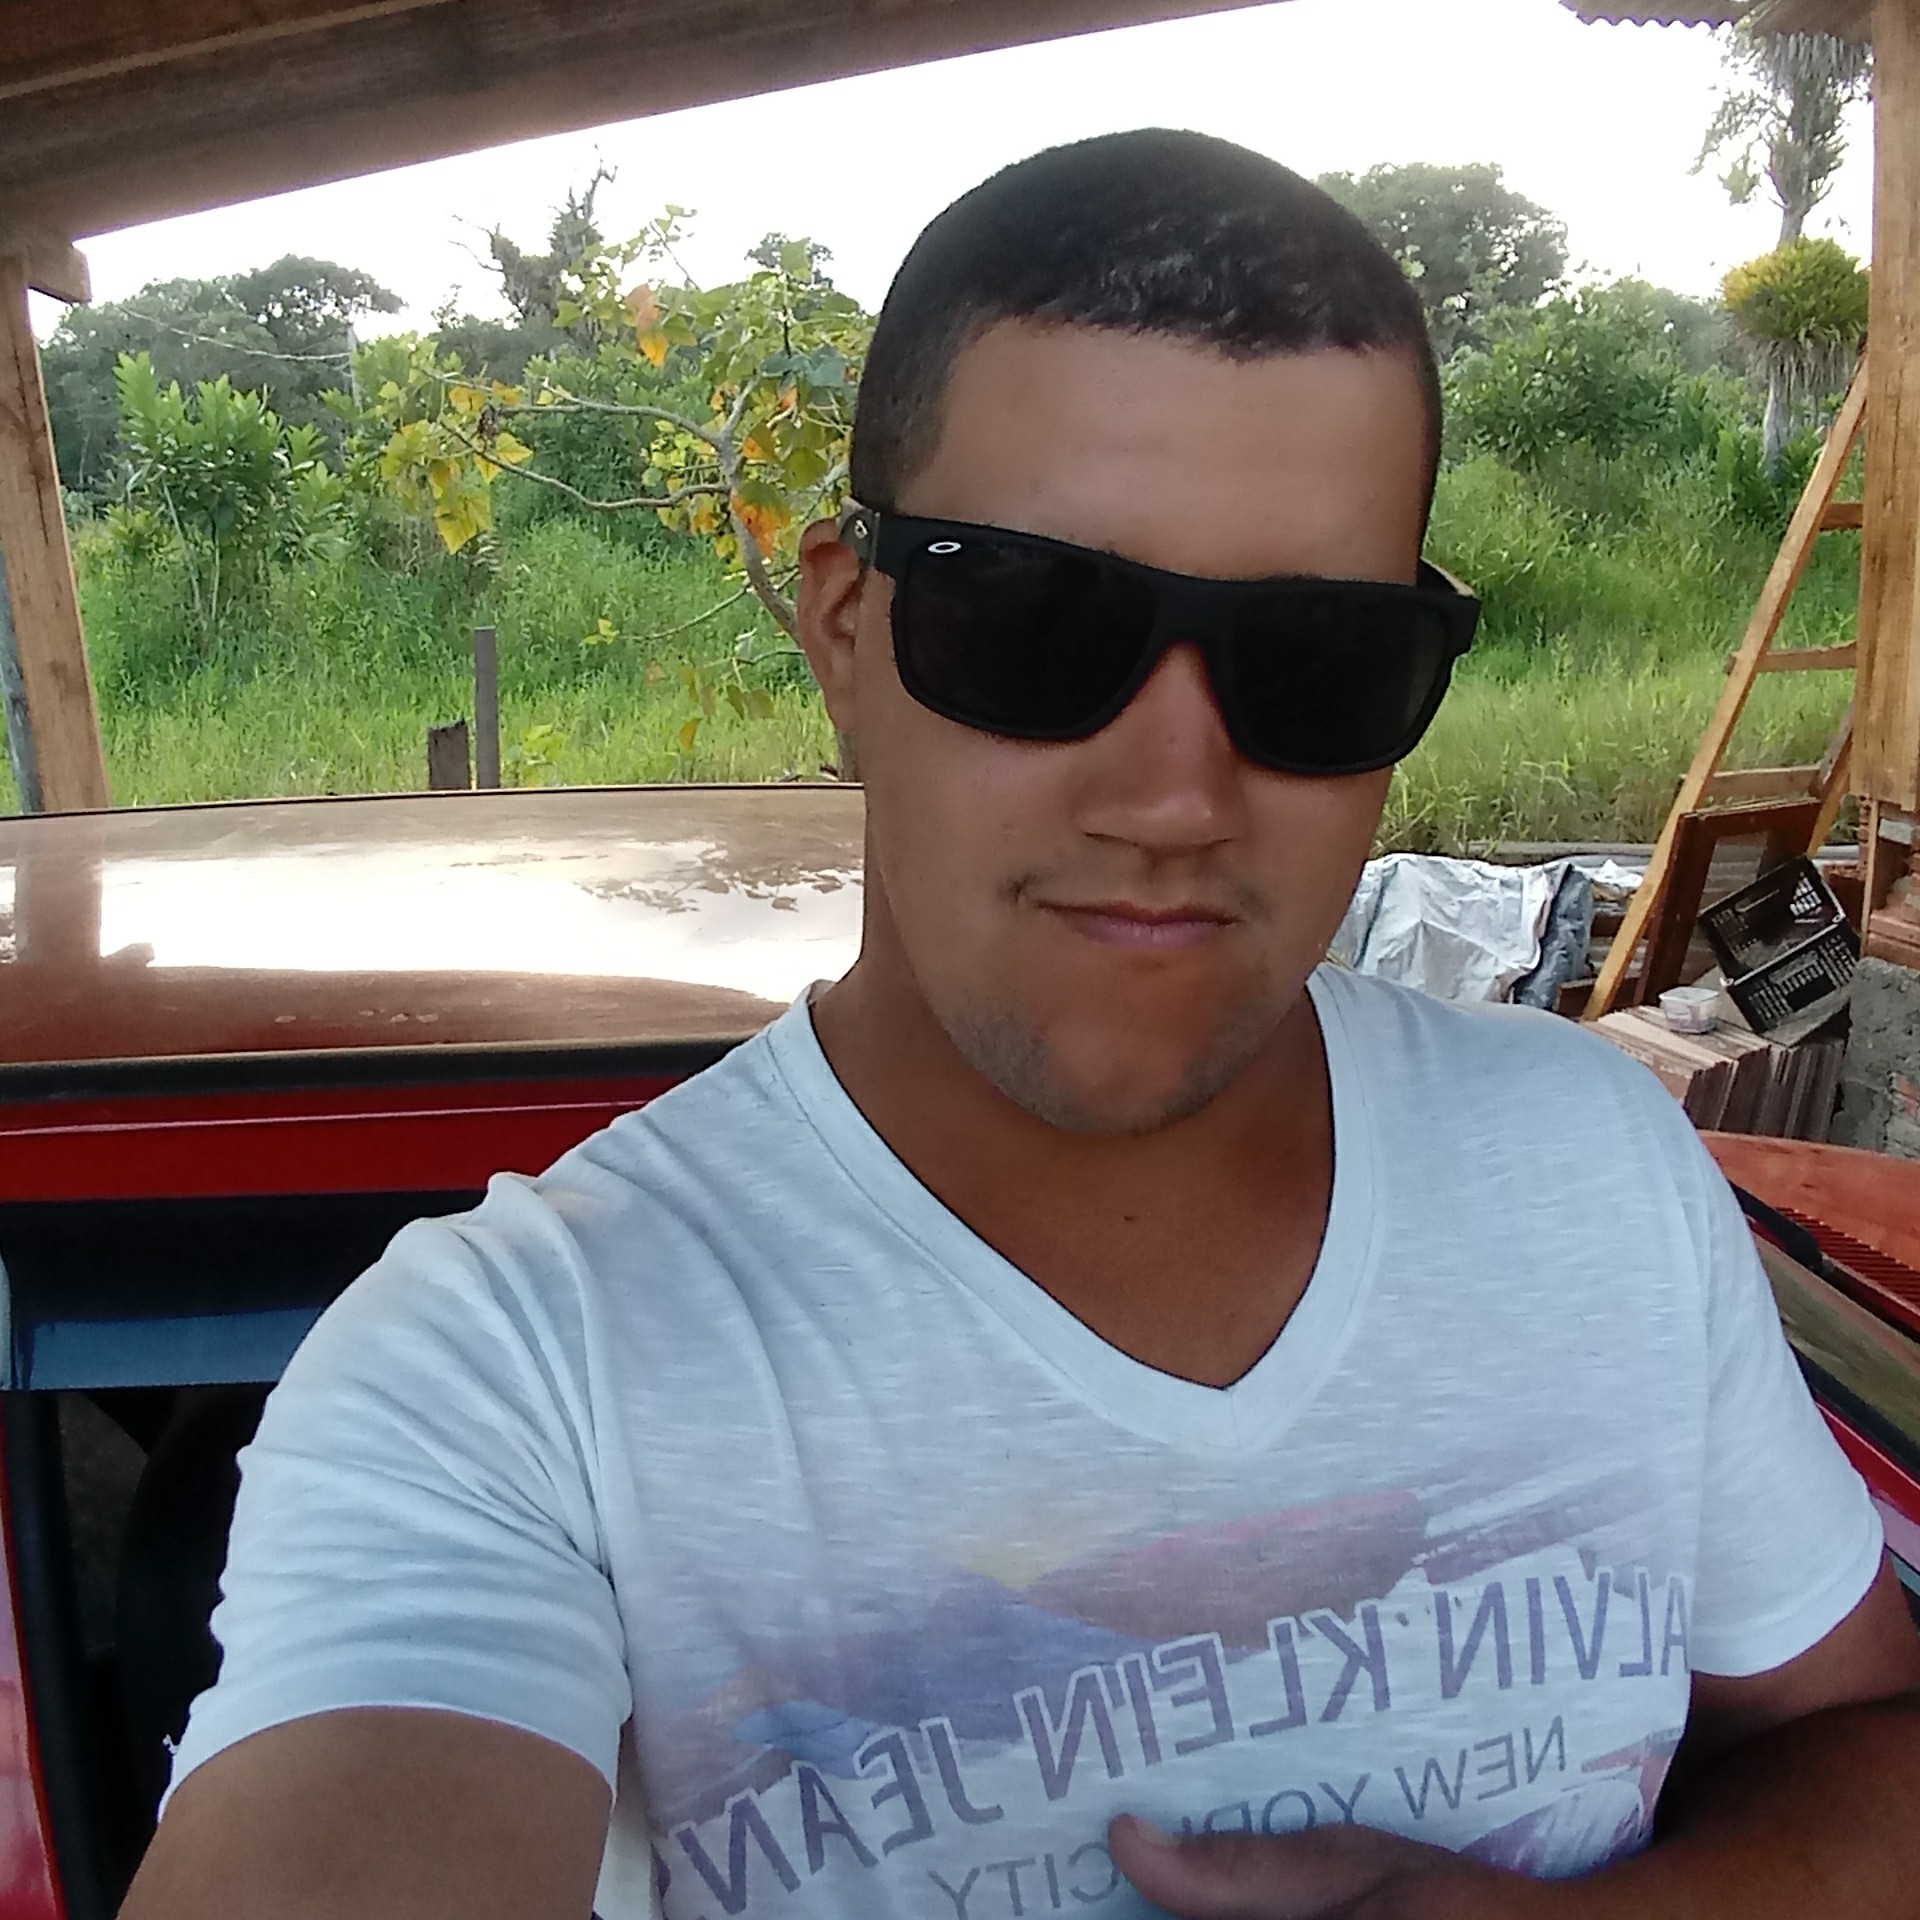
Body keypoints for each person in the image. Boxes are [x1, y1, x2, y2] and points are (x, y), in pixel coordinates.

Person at [122, 130, 1920, 1920]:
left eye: (1319, 657)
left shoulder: (1593, 1167)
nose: (1176, 795)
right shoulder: (521, 1374)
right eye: (1037, 622)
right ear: (846, 628)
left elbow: (1860, 1743)